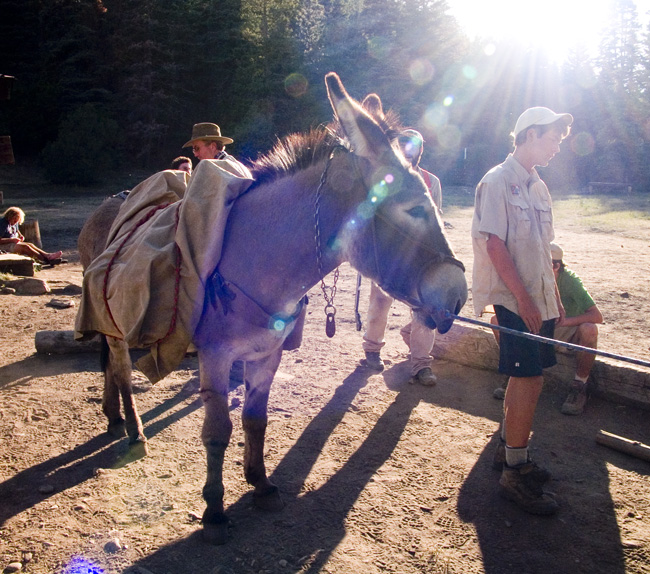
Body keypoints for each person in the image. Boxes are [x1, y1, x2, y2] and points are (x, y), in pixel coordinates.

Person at [472, 106, 573, 515]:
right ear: (530, 134)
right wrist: (527, 300)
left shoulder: (538, 186)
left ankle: (506, 448)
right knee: (529, 379)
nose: (556, 148)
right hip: (515, 299)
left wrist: (552, 294)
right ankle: (516, 471)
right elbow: (494, 244)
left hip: (537, 297)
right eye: (552, 139)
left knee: (524, 377)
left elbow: (544, 248)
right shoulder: (497, 181)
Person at [361, 129, 442, 386]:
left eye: (415, 144)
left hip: (419, 260)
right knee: (379, 306)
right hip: (389, 257)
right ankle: (372, 350)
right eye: (405, 143)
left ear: (421, 149)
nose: (410, 148)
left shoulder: (432, 182)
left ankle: (421, 364)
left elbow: (435, 222)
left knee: (423, 309)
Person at [492, 242, 603, 416]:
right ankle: (516, 371)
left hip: (563, 330)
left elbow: (597, 316)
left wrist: (566, 322)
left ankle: (579, 385)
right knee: (496, 321)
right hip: (537, 328)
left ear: (557, 266)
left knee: (590, 330)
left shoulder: (570, 281)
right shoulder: (529, 277)